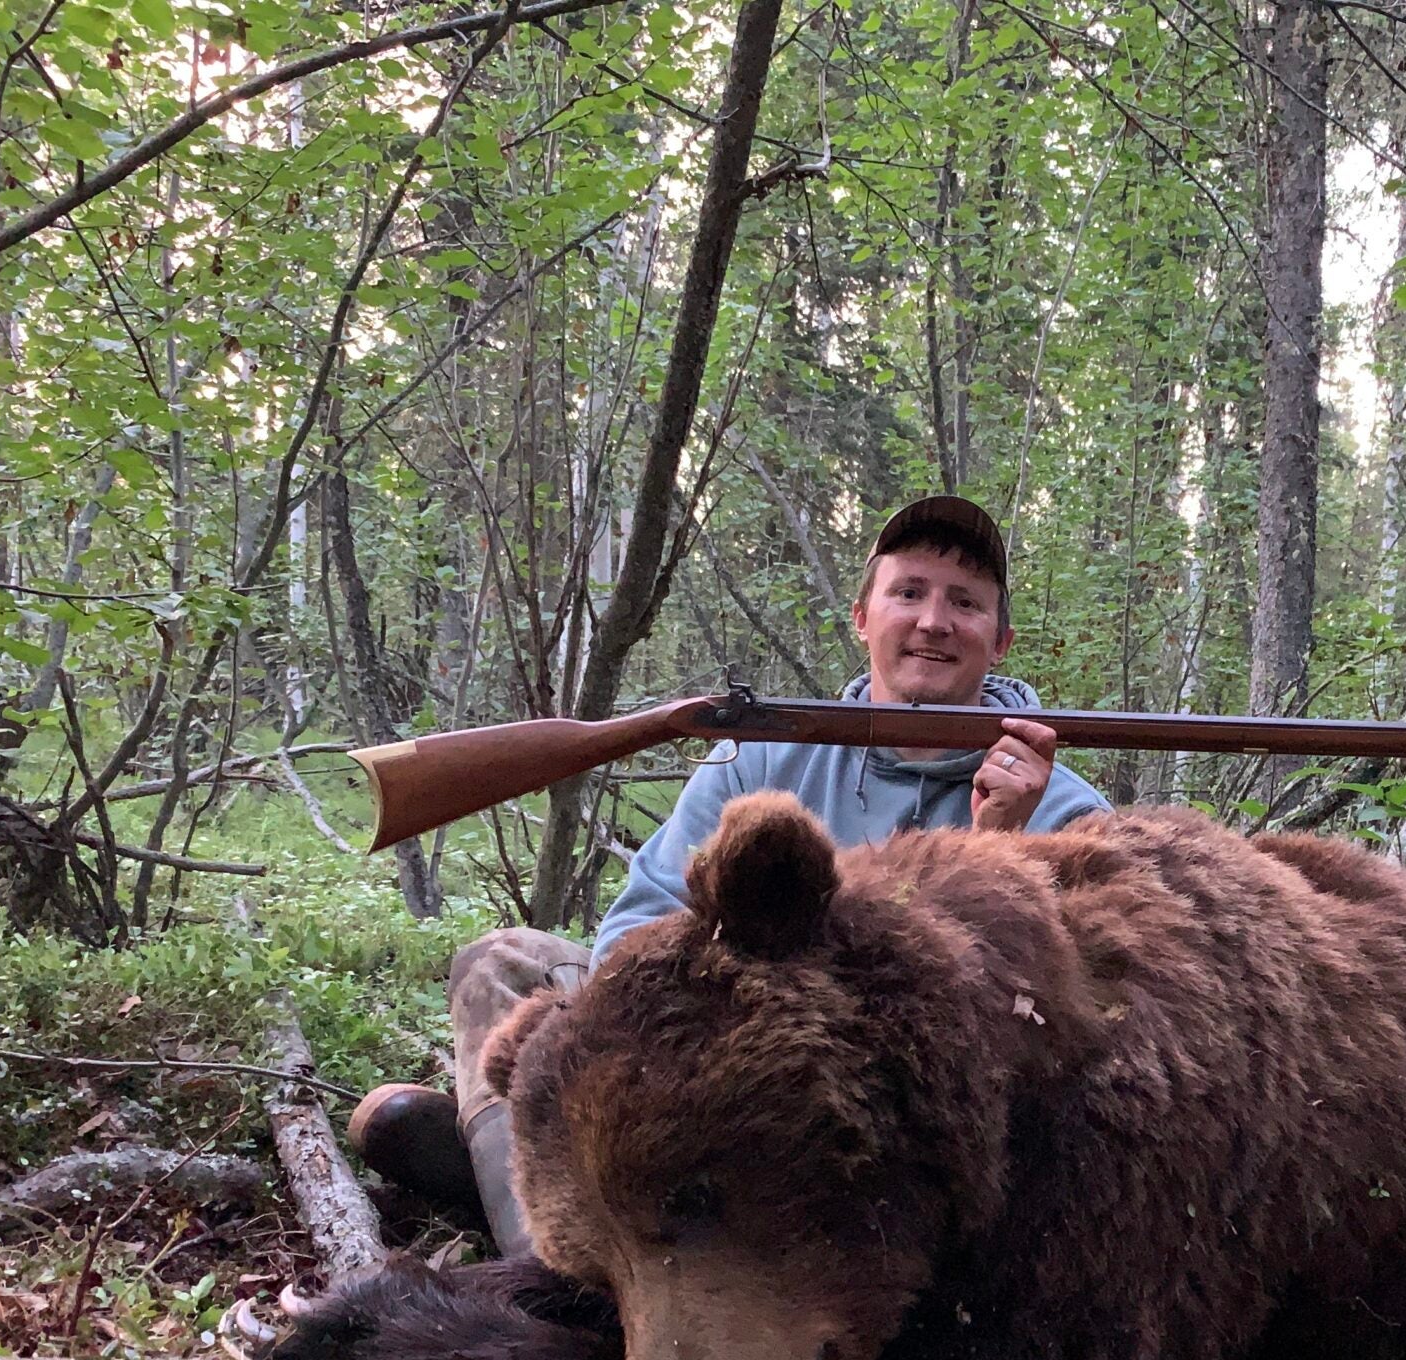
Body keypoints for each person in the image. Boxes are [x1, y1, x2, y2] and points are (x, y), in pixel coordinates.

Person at [348, 495, 1113, 1254]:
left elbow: (1066, 1041)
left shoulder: (1065, 812)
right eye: (908, 592)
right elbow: (634, 930)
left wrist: (995, 850)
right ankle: (543, 1236)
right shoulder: (758, 754)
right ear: (862, 617)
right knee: (502, 965)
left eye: (965, 603)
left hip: (874, 1124)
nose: (934, 622)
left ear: (1000, 640)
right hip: (708, 1058)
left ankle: (517, 1185)